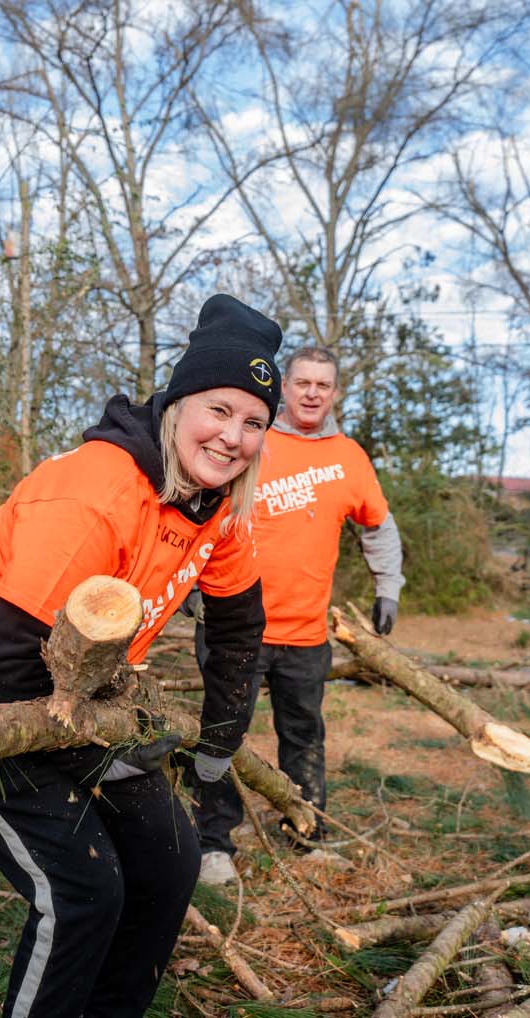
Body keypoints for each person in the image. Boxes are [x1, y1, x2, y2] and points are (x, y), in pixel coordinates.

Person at [0, 294, 283, 1018]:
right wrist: (113, 754)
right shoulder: (100, 489)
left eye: (254, 422)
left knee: (170, 865)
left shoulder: (216, 509)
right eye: (218, 410)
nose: (232, 437)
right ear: (177, 404)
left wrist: (217, 753)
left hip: (80, 686)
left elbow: (237, 631)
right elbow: (10, 661)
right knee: (81, 890)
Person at [191, 345, 404, 886]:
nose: (312, 392)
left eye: (323, 385)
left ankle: (306, 834)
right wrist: (189, 582)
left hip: (307, 632)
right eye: (303, 382)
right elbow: (201, 506)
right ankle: (213, 844)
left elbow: (378, 525)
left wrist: (389, 587)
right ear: (285, 386)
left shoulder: (350, 456)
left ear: (334, 392)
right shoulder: (252, 441)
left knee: (305, 736)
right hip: (236, 625)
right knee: (222, 731)